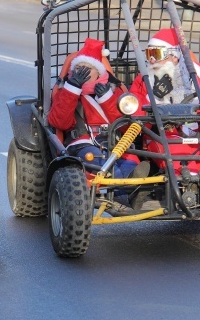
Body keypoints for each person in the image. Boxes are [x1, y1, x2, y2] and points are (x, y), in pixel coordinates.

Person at [129, 27, 200, 207]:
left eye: (156, 53)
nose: (151, 59)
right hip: (164, 134)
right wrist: (154, 99)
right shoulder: (145, 80)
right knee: (173, 148)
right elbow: (133, 114)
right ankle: (186, 188)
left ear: (174, 55)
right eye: (148, 53)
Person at [47, 38, 148, 202]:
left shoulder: (114, 93)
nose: (82, 72)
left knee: (129, 161)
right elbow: (59, 122)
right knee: (102, 162)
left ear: (99, 73)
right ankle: (126, 199)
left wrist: (106, 99)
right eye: (78, 68)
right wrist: (72, 88)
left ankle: (134, 186)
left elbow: (124, 126)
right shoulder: (65, 92)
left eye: (87, 68)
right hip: (82, 144)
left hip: (113, 142)